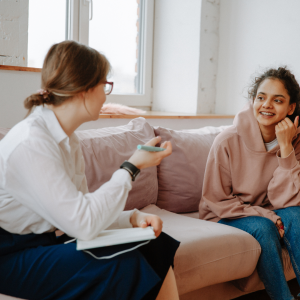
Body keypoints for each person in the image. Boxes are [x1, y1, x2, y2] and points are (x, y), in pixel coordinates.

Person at [0, 41, 180, 300]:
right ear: (84, 89)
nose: (106, 95)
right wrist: (131, 166)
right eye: (104, 85)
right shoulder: (31, 142)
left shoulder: (68, 139)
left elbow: (81, 212)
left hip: (46, 243)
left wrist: (130, 218)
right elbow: (83, 224)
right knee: (121, 265)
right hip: (10, 255)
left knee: (153, 242)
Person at [199, 67, 300, 300]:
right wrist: (268, 216)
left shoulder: (294, 142)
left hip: (267, 211)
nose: (266, 105)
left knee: (295, 214)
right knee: (263, 228)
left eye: (278, 100)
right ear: (252, 100)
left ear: (291, 107)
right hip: (225, 215)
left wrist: (285, 149)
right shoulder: (226, 140)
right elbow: (216, 200)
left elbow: (288, 201)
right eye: (261, 97)